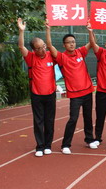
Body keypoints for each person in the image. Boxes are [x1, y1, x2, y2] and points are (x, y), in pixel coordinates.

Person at [45, 20, 97, 154]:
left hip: (87, 91)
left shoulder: (80, 52)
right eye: (69, 42)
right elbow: (49, 45)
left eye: (73, 41)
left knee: (88, 117)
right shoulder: (61, 57)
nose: (72, 44)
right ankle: (65, 145)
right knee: (73, 118)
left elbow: (92, 43)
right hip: (74, 94)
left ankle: (89, 139)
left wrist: (90, 31)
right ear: (64, 44)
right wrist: (48, 29)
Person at [17, 18, 56, 157]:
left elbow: (51, 45)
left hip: (51, 93)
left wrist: (47, 29)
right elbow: (21, 47)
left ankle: (48, 145)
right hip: (37, 94)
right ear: (34, 49)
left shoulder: (51, 56)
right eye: (39, 48)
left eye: (43, 46)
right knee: (38, 120)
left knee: (49, 120)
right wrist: (21, 31)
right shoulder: (31, 57)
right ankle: (39, 146)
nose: (42, 49)